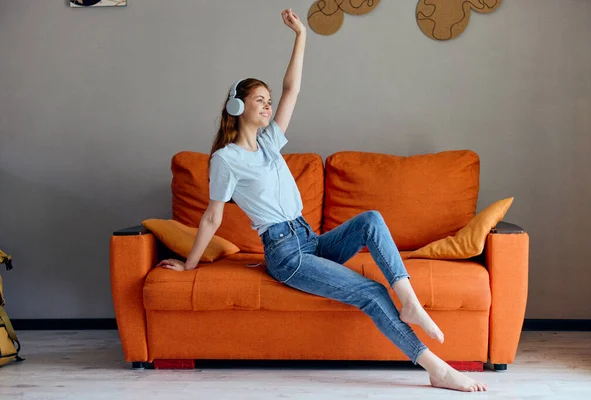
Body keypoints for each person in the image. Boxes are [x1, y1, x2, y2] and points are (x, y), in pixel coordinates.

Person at [158, 8, 488, 393]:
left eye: (267, 100)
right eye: (259, 100)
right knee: (371, 292)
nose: (267, 106)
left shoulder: (269, 142)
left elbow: (292, 90)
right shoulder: (225, 160)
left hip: (310, 240)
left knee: (371, 219)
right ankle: (436, 368)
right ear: (237, 107)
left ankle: (410, 301)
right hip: (286, 255)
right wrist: (189, 265)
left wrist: (302, 37)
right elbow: (212, 218)